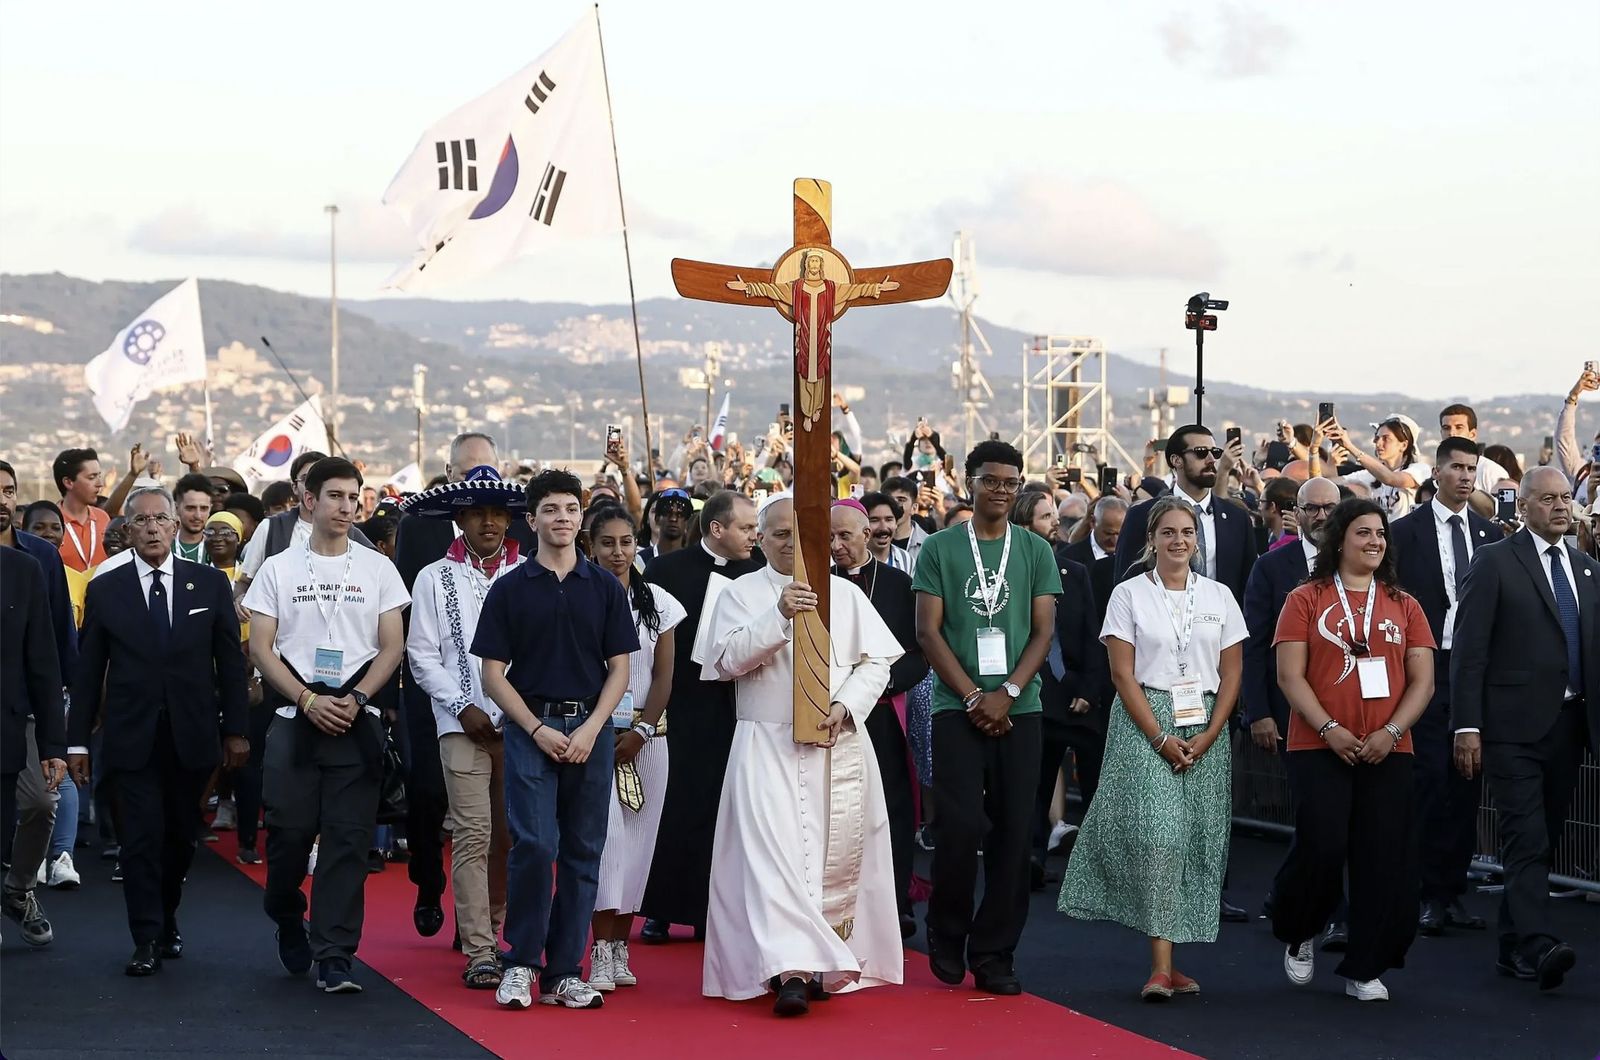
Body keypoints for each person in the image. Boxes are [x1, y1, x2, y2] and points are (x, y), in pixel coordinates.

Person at [700, 495, 904, 1014]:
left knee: (824, 858)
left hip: (837, 743)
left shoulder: (845, 594)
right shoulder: (737, 593)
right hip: (764, 743)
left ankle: (819, 963)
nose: (790, 543)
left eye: (800, 533)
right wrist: (778, 616)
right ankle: (789, 971)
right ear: (760, 539)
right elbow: (724, 663)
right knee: (772, 857)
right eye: (779, 534)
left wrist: (846, 706)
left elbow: (876, 664)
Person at [1060, 496, 1246, 1001]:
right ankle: (1160, 966)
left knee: (1195, 840)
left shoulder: (1219, 596)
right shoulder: (1129, 594)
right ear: (1152, 540)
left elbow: (1232, 674)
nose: (1179, 541)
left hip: (1205, 722)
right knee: (1157, 839)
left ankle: (1172, 962)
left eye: (1187, 532)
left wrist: (1210, 733)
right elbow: (1122, 674)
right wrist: (1161, 737)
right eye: (1168, 532)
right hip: (1145, 721)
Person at [472, 469, 638, 1011]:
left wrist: (593, 728)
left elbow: (621, 669)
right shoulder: (510, 588)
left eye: (570, 509)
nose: (561, 518)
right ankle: (521, 962)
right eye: (551, 509)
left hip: (592, 730)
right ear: (533, 517)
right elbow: (492, 673)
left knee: (584, 851)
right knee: (535, 844)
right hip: (530, 729)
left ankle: (567, 970)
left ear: (581, 516)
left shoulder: (607, 588)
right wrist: (537, 729)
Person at [245, 457, 410, 995]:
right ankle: (287, 912)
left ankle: (335, 954)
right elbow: (260, 647)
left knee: (347, 841)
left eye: (353, 496)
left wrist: (359, 697)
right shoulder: (279, 569)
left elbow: (392, 645)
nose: (346, 506)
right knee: (290, 837)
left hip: (354, 721)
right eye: (335, 496)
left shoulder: (378, 569)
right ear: (309, 501)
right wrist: (307, 698)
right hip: (295, 717)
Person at [73, 485, 250, 975]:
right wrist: (75, 741)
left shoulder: (208, 584)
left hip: (191, 738)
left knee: (178, 839)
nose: (152, 527)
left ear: (175, 527)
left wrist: (235, 731)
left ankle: (168, 912)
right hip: (130, 739)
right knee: (139, 840)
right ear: (128, 531)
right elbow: (88, 674)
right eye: (142, 521)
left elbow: (230, 665)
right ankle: (145, 936)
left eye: (160, 519)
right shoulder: (106, 590)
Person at [1271, 498, 1436, 1002]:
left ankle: (1366, 966)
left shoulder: (1404, 604)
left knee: (1382, 857)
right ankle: (1301, 927)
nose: (1374, 541)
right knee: (1322, 845)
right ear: (1340, 539)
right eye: (1363, 532)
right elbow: (1288, 675)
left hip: (1389, 748)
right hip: (1319, 745)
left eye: (1380, 533)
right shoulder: (1306, 598)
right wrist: (1327, 728)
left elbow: (1423, 682)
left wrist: (1391, 732)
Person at [915, 440, 1061, 995]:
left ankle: (996, 954)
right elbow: (929, 632)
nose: (1001, 489)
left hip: (1022, 710)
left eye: (1010, 481)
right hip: (958, 707)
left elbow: (1043, 630)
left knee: (1012, 833)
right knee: (957, 828)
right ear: (969, 482)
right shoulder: (940, 548)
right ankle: (947, 934)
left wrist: (1010, 690)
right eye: (990, 479)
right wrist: (977, 696)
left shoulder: (1035, 550)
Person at [1451, 466, 1598, 991]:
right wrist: (1466, 725)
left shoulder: (1585, 568)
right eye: (1549, 499)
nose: (1562, 506)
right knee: (1526, 836)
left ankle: (1513, 946)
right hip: (1510, 729)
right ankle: (1537, 946)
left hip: (1569, 726)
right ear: (1525, 506)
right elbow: (1469, 652)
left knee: (1545, 837)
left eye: (1566, 498)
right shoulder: (1494, 562)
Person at [392, 433, 533, 943]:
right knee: (472, 833)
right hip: (458, 722)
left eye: (498, 511)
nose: (489, 521)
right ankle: (477, 944)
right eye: (477, 512)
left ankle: (497, 923)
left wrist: (520, 712)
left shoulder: (530, 573)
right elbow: (421, 653)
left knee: (512, 836)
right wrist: (462, 705)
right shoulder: (433, 576)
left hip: (523, 726)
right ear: (459, 517)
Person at [638, 490, 763, 942]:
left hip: (736, 707)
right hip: (680, 705)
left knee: (725, 809)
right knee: (673, 805)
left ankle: (715, 908)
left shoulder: (758, 574)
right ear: (716, 529)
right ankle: (660, 908)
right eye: (747, 528)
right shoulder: (667, 571)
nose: (756, 536)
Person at [1388, 438, 1498, 936]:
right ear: (1436, 471)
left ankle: (1451, 891)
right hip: (1423, 667)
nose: (1465, 476)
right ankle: (1424, 891)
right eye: (1456, 467)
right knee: (1427, 781)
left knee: (1465, 782)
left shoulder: (1490, 534)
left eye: (1472, 468)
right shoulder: (1405, 533)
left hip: (1473, 670)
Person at [587, 507, 683, 992]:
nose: (618, 552)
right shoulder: (579, 597)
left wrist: (642, 730)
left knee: (640, 846)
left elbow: (665, 674)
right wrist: (601, 730)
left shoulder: (658, 602)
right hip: (595, 738)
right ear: (590, 546)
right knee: (607, 847)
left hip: (649, 738)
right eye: (607, 543)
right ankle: (599, 950)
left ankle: (620, 947)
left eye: (625, 542)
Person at [830, 498, 928, 936]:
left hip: (884, 715)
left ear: (866, 535)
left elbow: (917, 653)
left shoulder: (897, 585)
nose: (836, 546)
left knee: (892, 807)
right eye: (829, 537)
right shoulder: (816, 581)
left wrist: (875, 686)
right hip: (828, 715)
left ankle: (896, 899)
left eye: (845, 536)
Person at [1012, 491, 1101, 884]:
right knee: (1035, 782)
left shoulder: (1074, 570)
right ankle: (1031, 856)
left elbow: (1091, 634)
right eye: (1046, 515)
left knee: (1098, 784)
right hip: (1033, 696)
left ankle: (1097, 867)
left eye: (1054, 514)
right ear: (1025, 522)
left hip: (1078, 697)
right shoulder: (1010, 574)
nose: (1055, 522)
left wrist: (1089, 688)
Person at [0, 546, 67, 950]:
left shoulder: (24, 568)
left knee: (42, 802)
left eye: (8, 490)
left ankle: (18, 890)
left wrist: (53, 742)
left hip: (14, 716)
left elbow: (44, 658)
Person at [1114, 425, 1259, 604]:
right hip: (1158, 623)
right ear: (1176, 460)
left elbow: (1249, 586)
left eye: (1215, 452)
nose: (1211, 459)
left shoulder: (1236, 519)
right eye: (1200, 452)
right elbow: (1126, 580)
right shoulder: (1142, 515)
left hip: (1221, 624)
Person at [1322, 414, 1429, 519]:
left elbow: (1391, 478)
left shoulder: (1420, 470)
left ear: (1404, 445)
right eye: (1377, 438)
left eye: (1386, 439)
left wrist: (1349, 446)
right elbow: (1328, 484)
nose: (1378, 443)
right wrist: (1314, 447)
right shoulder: (1370, 475)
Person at [52, 447, 109, 573]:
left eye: (99, 476)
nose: (100, 483)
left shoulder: (103, 518)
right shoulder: (51, 523)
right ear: (68, 482)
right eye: (92, 477)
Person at [1437, 403, 1510, 495]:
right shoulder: (1438, 472)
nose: (1451, 433)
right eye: (1446, 428)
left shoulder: (1490, 471)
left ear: (1472, 434)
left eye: (1459, 427)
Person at [637, 488, 693, 568]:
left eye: (680, 515)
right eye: (667, 513)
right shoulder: (640, 559)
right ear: (657, 519)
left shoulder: (692, 561)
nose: (673, 519)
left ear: (687, 521)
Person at [862, 491, 913, 572]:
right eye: (874, 520)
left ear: (896, 523)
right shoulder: (852, 561)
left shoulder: (906, 559)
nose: (883, 527)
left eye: (889, 519)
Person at [171, 473, 214, 565]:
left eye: (203, 508)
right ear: (176, 508)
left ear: (210, 508)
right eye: (190, 508)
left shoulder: (216, 548)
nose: (198, 516)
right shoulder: (163, 546)